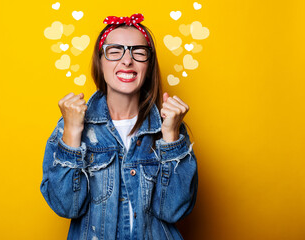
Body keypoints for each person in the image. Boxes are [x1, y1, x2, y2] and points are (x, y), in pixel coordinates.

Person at [40, 13, 198, 240]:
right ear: (100, 61)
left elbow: (174, 211)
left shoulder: (169, 127)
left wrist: (171, 136)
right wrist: (72, 132)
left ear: (149, 64)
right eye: (115, 51)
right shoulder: (70, 125)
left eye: (138, 52)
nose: (127, 60)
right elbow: (66, 207)